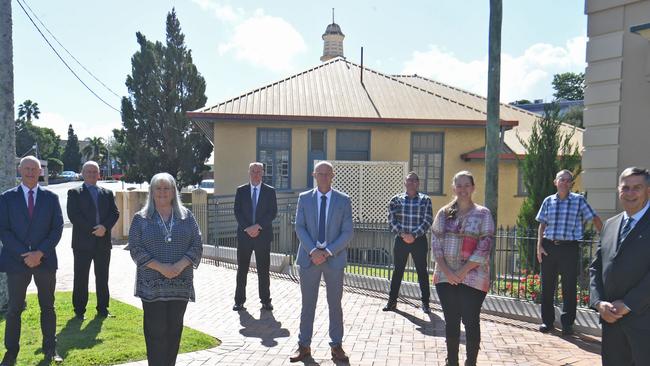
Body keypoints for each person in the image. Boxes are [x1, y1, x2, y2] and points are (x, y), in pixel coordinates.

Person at [128, 173, 203, 366]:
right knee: (155, 333)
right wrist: (161, 267)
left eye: (166, 188)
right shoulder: (141, 218)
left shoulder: (187, 216)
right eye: (158, 188)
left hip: (180, 285)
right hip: (152, 286)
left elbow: (197, 244)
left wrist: (179, 265)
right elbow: (135, 249)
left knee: (174, 331)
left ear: (173, 191)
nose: (162, 192)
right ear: (151, 192)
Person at [0, 156, 64, 365]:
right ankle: (11, 353)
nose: (30, 172)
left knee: (48, 307)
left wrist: (39, 253)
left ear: (40, 172)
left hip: (44, 261)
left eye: (33, 169)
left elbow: (57, 229)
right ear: (20, 170)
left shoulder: (51, 198)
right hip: (16, 262)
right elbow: (4, 230)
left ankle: (50, 349)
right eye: (26, 168)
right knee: (14, 309)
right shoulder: (6, 198)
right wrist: (25, 254)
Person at [290, 161, 353, 363]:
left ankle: (336, 346)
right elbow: (300, 227)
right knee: (308, 304)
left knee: (335, 304)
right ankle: (304, 346)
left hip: (333, 259)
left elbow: (347, 232)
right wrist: (313, 251)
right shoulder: (304, 198)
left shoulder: (343, 200)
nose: (324, 177)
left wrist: (326, 251)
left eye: (327, 174)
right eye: (320, 173)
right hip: (309, 259)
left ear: (333, 175)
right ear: (314, 175)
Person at [431, 171, 493, 366]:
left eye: (467, 185)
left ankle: (471, 361)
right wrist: (449, 272)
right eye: (459, 185)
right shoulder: (444, 213)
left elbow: (485, 245)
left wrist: (462, 271)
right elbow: (435, 243)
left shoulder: (483, 214)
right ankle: (452, 361)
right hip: (445, 277)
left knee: (471, 320)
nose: (463, 189)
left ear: (473, 188)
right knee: (451, 320)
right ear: (453, 188)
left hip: (474, 278)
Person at [589, 167, 650, 366]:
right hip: (611, 323)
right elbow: (596, 268)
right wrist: (598, 303)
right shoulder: (610, 225)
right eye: (625, 188)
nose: (630, 193)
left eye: (637, 188)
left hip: (644, 324)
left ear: (647, 190)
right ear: (618, 190)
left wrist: (629, 304)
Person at [536, 169, 602, 335]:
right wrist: (539, 246)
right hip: (549, 247)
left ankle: (567, 324)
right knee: (547, 287)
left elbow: (594, 217)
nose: (565, 182)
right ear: (555, 182)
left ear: (572, 184)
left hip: (569, 248)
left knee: (569, 287)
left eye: (568, 180)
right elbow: (542, 224)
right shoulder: (548, 201)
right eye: (562, 179)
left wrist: (606, 239)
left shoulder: (579, 200)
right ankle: (547, 322)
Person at [67, 161, 120, 320]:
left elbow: (115, 213)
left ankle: (103, 308)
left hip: (103, 243)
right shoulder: (74, 192)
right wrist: (94, 230)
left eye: (94, 172)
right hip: (82, 243)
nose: (91, 174)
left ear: (99, 174)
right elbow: (74, 216)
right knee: (81, 277)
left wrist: (104, 227)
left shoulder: (107, 193)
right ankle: (79, 310)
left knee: (103, 277)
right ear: (83, 173)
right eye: (88, 171)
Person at [383, 171, 433, 313]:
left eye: (414, 180)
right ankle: (392, 302)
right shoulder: (396, 200)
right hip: (401, 240)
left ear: (418, 183)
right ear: (405, 183)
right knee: (397, 271)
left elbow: (428, 220)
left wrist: (414, 235)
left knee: (422, 272)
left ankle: (426, 303)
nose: (411, 183)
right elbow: (391, 220)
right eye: (409, 180)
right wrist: (403, 234)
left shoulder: (426, 200)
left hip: (419, 240)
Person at [233, 162, 278, 311]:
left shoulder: (270, 191)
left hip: (263, 236)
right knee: (242, 270)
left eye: (259, 171)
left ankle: (265, 300)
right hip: (244, 236)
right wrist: (248, 228)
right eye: (253, 171)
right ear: (249, 172)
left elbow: (272, 212)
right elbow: (237, 211)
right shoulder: (241, 190)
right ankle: (239, 301)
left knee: (263, 270)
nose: (256, 174)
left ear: (263, 173)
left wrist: (257, 226)